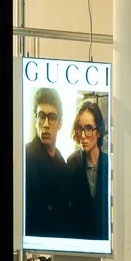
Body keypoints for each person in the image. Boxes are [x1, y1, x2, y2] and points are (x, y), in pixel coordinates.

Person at [24, 86, 72, 239]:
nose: (45, 124)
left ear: (60, 124)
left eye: (52, 117)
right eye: (41, 116)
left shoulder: (63, 164)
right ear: (35, 119)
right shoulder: (25, 156)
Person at [65, 97, 109, 243]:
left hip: (104, 244)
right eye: (80, 128)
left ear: (99, 131)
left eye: (89, 129)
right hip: (78, 242)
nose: (83, 135)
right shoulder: (71, 163)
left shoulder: (109, 164)